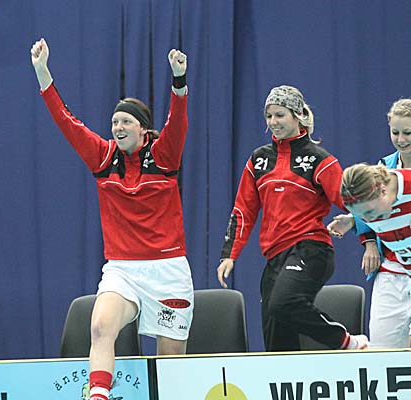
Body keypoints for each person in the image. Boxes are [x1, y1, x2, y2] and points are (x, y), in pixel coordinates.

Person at [31, 38, 193, 400]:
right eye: (114, 121)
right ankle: (99, 395)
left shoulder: (164, 156)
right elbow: (67, 122)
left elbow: (178, 121)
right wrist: (43, 73)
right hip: (123, 269)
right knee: (101, 326)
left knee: (171, 365)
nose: (117, 126)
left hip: (168, 270)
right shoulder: (102, 158)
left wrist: (179, 81)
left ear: (143, 129)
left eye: (125, 121)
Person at [218, 85, 369, 351]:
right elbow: (243, 209)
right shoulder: (258, 160)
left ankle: (348, 342)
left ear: (298, 116)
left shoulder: (320, 160)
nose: (273, 122)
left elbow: (354, 202)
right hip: (274, 257)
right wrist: (229, 254)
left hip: (311, 249)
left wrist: (364, 235)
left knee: (283, 303)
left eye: (280, 115)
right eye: (269, 116)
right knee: (277, 343)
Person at [330, 99, 411, 348]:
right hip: (393, 268)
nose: (401, 139)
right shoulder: (383, 169)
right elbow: (369, 208)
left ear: (385, 191)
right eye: (395, 132)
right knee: (382, 350)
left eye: (407, 133)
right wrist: (355, 224)